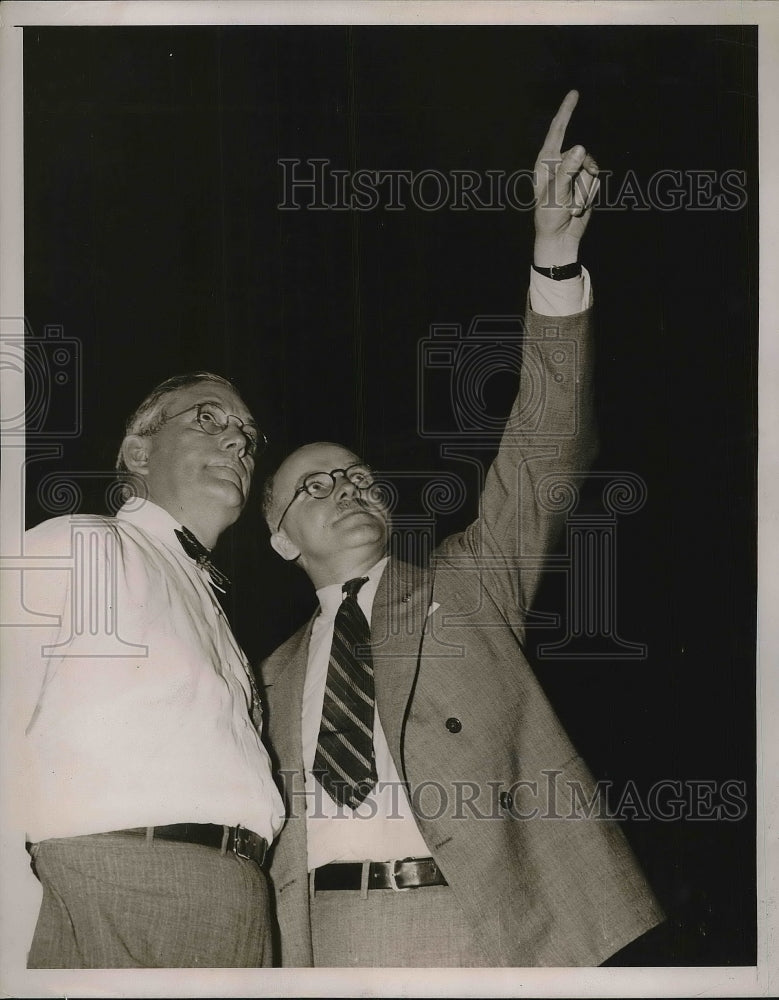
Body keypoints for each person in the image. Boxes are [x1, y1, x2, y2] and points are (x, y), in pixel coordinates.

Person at [258, 91, 664, 967]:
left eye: (358, 475)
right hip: (327, 939)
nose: (347, 486)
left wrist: (553, 257)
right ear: (282, 538)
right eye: (313, 484)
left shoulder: (466, 581)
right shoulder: (267, 673)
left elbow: (543, 449)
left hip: (479, 926)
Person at [13, 372, 284, 968]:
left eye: (246, 433)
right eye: (208, 420)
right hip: (117, 880)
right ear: (138, 452)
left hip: (239, 896)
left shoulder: (210, 603)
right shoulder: (80, 544)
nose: (238, 441)